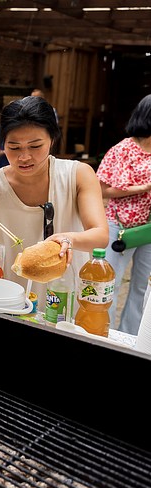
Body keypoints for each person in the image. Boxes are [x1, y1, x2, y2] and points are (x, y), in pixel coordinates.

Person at [0, 95, 108, 304]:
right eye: (14, 147)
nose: (25, 157)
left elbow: (100, 235)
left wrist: (68, 239)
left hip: (64, 293)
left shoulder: (77, 175)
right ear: (3, 145)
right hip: (9, 298)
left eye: (35, 146)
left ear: (52, 140)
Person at [97, 94, 151, 335]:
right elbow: (101, 189)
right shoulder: (123, 149)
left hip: (148, 230)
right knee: (111, 284)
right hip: (120, 228)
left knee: (141, 288)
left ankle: (130, 336)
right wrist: (144, 188)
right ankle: (106, 335)